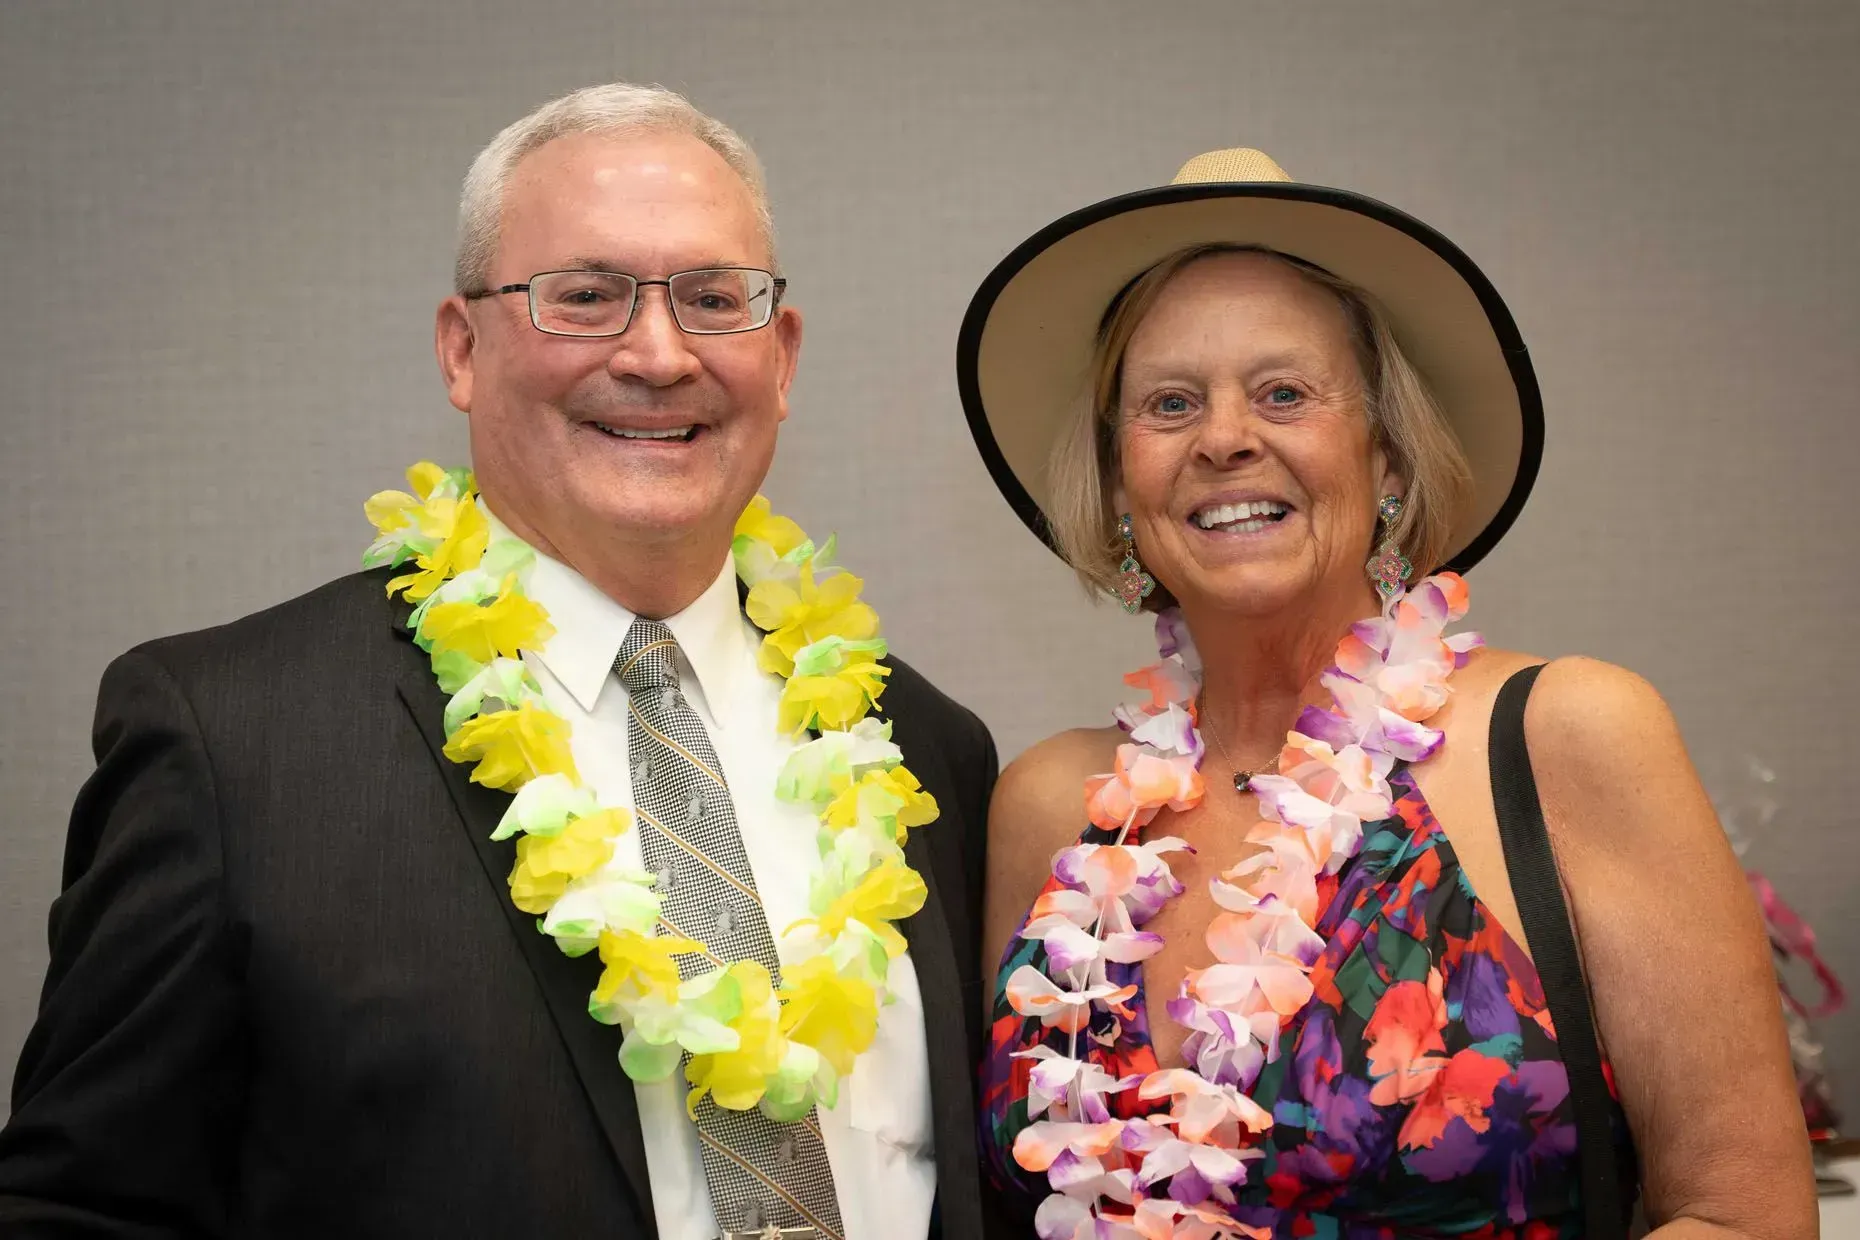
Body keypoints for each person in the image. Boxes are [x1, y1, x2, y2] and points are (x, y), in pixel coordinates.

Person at [0, 83, 1003, 1240]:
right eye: (585, 297)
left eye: (714, 300)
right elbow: (78, 1212)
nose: (660, 353)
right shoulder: (232, 745)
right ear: (461, 349)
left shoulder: (926, 752)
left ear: (780, 358)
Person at [958, 149, 1815, 1238]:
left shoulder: (1569, 737)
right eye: (1170, 403)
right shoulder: (1050, 807)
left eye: (1284, 393)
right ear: (1123, 485)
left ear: (1390, 457)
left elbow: (1745, 1216)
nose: (1225, 438)